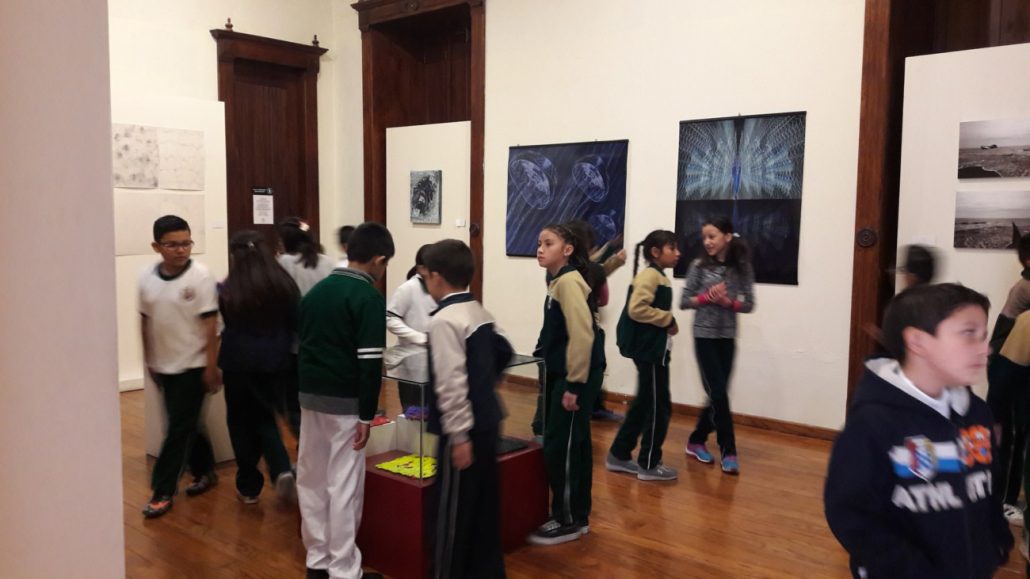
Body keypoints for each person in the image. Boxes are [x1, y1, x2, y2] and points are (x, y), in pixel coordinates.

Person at [824, 283, 1012, 578]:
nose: (985, 348)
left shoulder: (977, 413)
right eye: (969, 334)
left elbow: (988, 485)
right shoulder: (873, 422)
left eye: (984, 335)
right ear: (918, 341)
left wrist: (997, 540)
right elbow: (851, 513)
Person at [296, 222, 393, 579]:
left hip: (310, 398)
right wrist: (367, 414)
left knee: (312, 479)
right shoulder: (367, 297)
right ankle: (343, 569)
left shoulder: (316, 292)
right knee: (344, 485)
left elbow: (302, 348)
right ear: (378, 260)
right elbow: (370, 362)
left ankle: (317, 560)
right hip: (346, 403)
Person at [422, 239, 513, 579]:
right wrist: (486, 385)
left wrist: (459, 435)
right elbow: (504, 351)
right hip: (488, 421)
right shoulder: (479, 311)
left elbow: (450, 382)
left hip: (464, 431)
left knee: (451, 513)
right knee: (483, 507)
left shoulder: (445, 320)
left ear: (436, 277)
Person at [138, 215, 221, 518]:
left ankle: (162, 491)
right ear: (156, 246)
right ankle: (205, 470)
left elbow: (211, 324)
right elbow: (145, 320)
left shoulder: (201, 276)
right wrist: (149, 359)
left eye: (186, 243)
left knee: (176, 430)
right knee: (186, 424)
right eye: (172, 245)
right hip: (164, 365)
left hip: (194, 366)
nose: (181, 250)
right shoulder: (146, 278)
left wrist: (211, 366)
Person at [527, 224, 604, 546]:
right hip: (564, 374)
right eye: (539, 243)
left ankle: (567, 519)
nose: (540, 249)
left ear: (568, 249)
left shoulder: (569, 282)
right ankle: (576, 515)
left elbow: (582, 334)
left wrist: (574, 384)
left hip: (574, 378)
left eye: (549, 243)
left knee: (563, 447)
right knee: (572, 443)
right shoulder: (558, 281)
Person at [218, 230, 300, 504]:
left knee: (239, 421)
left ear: (234, 255)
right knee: (265, 416)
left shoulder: (228, 287)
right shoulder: (282, 282)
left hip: (236, 362)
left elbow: (226, 322)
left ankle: (249, 484)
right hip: (276, 361)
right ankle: (280, 469)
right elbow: (296, 321)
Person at [680, 217, 755, 474]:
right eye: (704, 237)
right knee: (719, 394)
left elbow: (749, 304)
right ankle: (729, 451)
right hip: (703, 336)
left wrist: (728, 303)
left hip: (727, 336)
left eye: (712, 236)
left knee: (717, 394)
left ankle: (696, 440)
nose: (707, 242)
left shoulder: (741, 267)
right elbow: (684, 301)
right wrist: (706, 298)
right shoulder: (698, 266)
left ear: (727, 236)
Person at [606, 230, 680, 481]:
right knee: (660, 406)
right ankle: (649, 463)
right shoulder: (651, 276)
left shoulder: (655, 275)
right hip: (650, 351)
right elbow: (636, 309)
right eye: (672, 248)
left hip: (651, 349)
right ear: (656, 252)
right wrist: (668, 319)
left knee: (645, 403)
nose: (678, 253)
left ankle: (619, 453)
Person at [563, 219, 627, 422]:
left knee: (594, 368)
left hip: (584, 327)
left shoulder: (571, 268)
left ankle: (591, 406)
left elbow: (595, 262)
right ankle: (588, 407)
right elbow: (598, 268)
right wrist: (616, 259)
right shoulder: (580, 271)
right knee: (592, 367)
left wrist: (611, 248)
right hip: (584, 327)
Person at [986, 232, 1030, 524]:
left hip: (1012, 361)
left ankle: (1006, 497)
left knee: (1015, 432)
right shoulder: (1025, 287)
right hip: (1007, 364)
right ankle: (1003, 500)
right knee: (1010, 434)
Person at [277, 217, 335, 436]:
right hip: (327, 342)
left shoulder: (285, 263)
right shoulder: (327, 262)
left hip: (296, 344)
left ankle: (303, 443)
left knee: (295, 402)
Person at [384, 244, 438, 409]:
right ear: (421, 268)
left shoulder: (439, 287)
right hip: (413, 362)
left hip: (436, 361)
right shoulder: (408, 288)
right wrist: (419, 337)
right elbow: (390, 319)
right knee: (413, 412)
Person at [278, 217, 335, 296]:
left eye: (281, 239)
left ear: (289, 241)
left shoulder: (286, 260)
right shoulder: (328, 260)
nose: (279, 243)